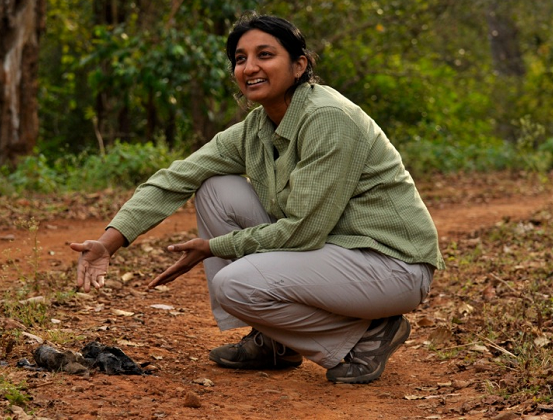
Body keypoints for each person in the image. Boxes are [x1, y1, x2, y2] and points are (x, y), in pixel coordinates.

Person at [70, 12, 444, 384]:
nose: (250, 67)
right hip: (337, 250)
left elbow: (302, 232)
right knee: (214, 187)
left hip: (390, 264)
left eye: (265, 55)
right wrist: (108, 242)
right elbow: (177, 177)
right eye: (240, 58)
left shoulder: (328, 118)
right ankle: (274, 341)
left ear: (299, 66)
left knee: (234, 283)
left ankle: (366, 337)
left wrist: (216, 246)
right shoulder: (257, 127)